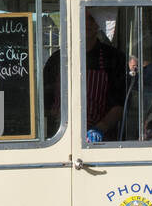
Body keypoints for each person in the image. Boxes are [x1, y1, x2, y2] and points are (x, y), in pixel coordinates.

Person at [44, 11, 125, 142]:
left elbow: (120, 103)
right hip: (60, 137)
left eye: (92, 19)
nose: (87, 23)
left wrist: (100, 128)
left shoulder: (113, 58)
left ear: (99, 24)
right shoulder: (57, 59)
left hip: (101, 140)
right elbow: (44, 101)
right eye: (82, 18)